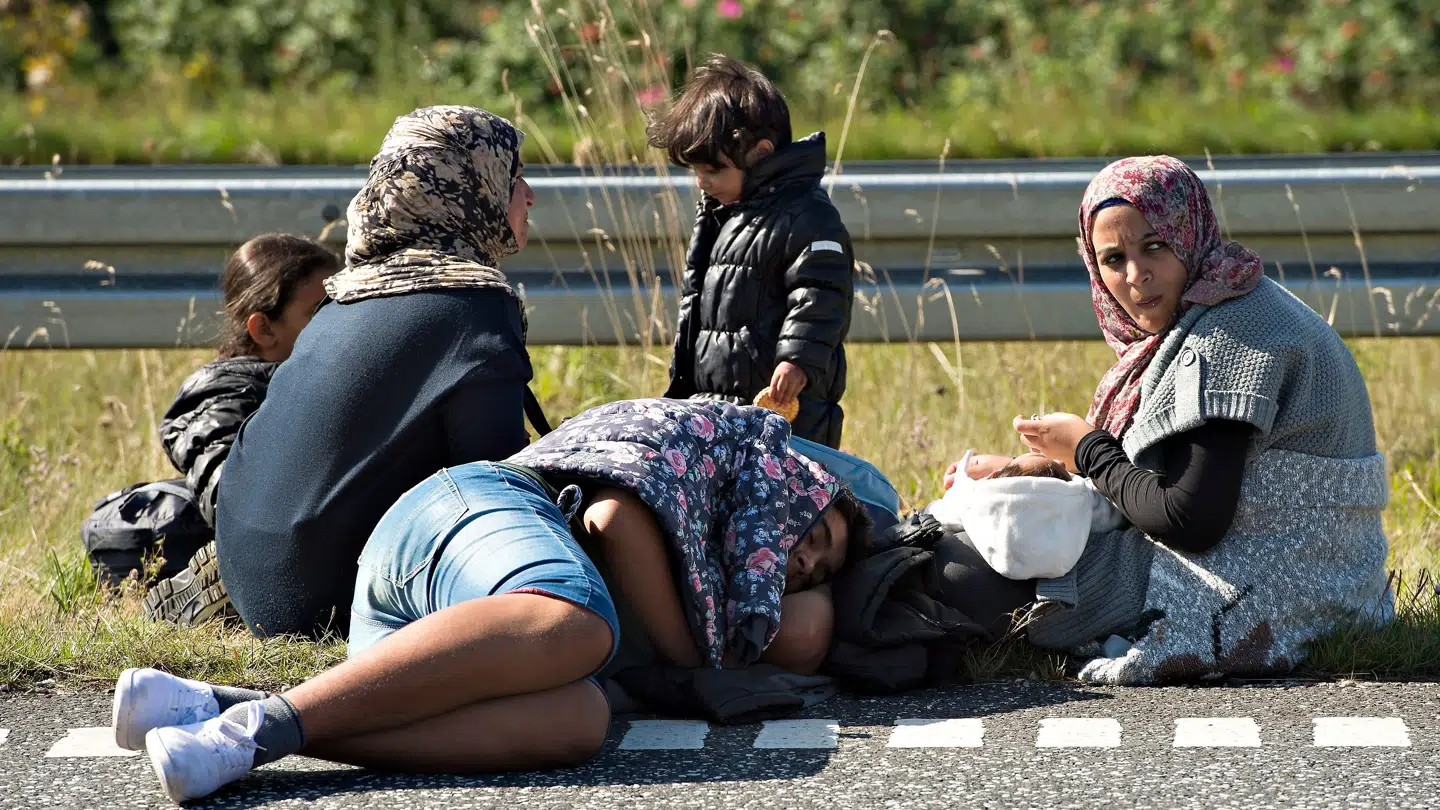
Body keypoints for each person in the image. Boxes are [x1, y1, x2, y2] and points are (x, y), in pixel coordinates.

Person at [111, 400, 865, 803]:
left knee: (578, 721)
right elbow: (612, 516)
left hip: (424, 647)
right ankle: (260, 731)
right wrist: (690, 658)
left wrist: (817, 581)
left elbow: (803, 635)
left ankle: (221, 715)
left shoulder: (734, 586)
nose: (803, 561)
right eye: (811, 536)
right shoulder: (709, 489)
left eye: (820, 568)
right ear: (779, 497)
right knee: (574, 624)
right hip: (467, 513)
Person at [943, 155, 1392, 684]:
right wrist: (1036, 468)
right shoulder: (1231, 304)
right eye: (1113, 259)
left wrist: (1088, 450)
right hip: (1325, 578)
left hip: (1268, 587)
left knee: (950, 569)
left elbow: (1190, 521)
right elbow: (1173, 482)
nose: (1136, 276)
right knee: (971, 537)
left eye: (1154, 246)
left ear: (1189, 232)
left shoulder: (1228, 337)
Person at [214, 105, 540, 639]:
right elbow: (493, 480)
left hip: (249, 575)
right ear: (468, 189)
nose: (528, 195)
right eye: (510, 178)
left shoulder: (350, 291)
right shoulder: (472, 303)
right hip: (327, 600)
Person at [650, 55, 855, 448]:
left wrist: (798, 359)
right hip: (717, 406)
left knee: (781, 503)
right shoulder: (723, 214)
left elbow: (822, 291)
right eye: (695, 172)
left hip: (787, 411)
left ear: (761, 153)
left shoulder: (806, 213)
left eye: (712, 171)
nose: (701, 184)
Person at [144, 234, 340, 626]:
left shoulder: (326, 378)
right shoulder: (220, 395)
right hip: (274, 544)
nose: (339, 323)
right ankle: (227, 586)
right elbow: (231, 499)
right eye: (320, 312)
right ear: (264, 329)